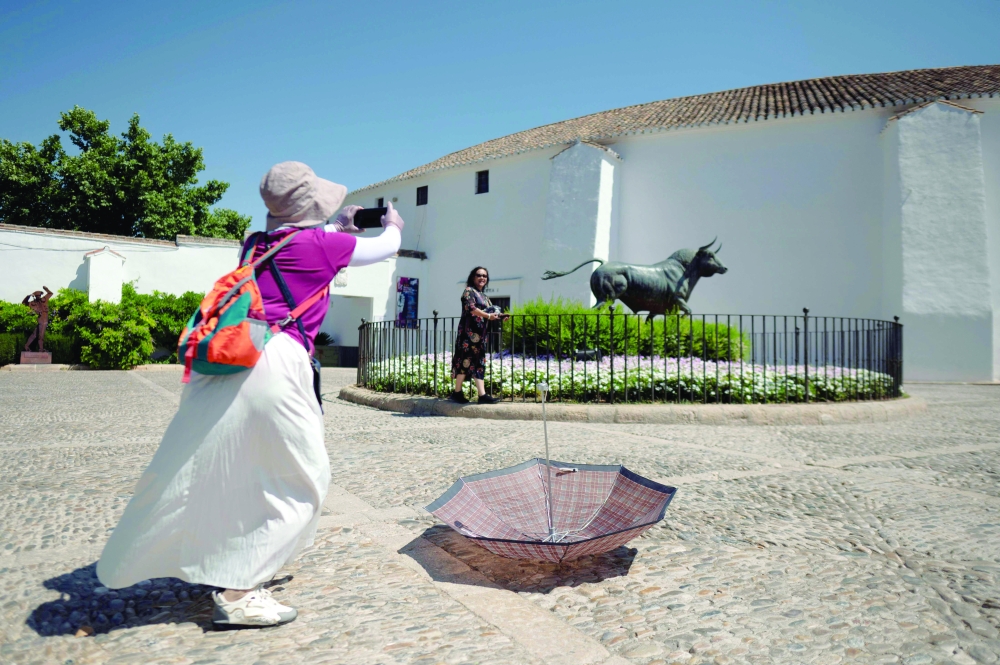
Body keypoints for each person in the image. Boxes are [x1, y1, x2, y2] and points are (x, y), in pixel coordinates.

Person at [96, 162, 403, 628]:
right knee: (305, 480)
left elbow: (300, 245)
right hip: (273, 362)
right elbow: (387, 247)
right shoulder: (322, 245)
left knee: (221, 466)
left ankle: (220, 562)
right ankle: (240, 590)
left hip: (232, 354)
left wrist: (335, 226)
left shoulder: (256, 243)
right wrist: (392, 223)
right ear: (313, 205)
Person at [450, 266, 508, 404]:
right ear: (473, 277)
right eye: (479, 275)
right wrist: (488, 315)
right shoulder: (469, 291)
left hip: (480, 336)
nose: (482, 278)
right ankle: (459, 393)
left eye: (485, 276)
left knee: (478, 362)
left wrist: (500, 316)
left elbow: (490, 311)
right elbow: (471, 309)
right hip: (468, 335)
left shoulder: (484, 296)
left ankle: (477, 395)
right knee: (465, 361)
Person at [22, 286, 53, 352]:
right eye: (37, 296)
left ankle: (26, 346)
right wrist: (29, 296)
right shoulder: (33, 303)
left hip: (45, 318)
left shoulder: (44, 300)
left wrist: (46, 289)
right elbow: (24, 303)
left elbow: (50, 293)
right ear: (35, 296)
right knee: (41, 335)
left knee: (35, 334)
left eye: (39, 295)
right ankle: (41, 349)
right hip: (42, 320)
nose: (39, 296)